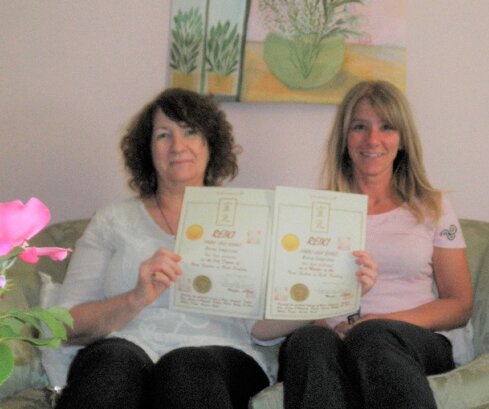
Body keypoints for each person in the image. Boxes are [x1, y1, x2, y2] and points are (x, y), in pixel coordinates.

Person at [251, 80, 473, 409]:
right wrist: (332, 325)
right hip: (335, 339)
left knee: (373, 336)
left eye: (387, 127)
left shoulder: (433, 206)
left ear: (403, 139)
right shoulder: (314, 211)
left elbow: (459, 304)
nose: (372, 139)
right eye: (359, 127)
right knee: (308, 341)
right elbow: (298, 298)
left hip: (414, 342)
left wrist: (380, 321)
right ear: (345, 138)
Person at [55, 88, 271, 409]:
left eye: (190, 131)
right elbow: (66, 325)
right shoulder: (113, 220)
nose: (178, 146)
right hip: (128, 344)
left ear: (210, 143)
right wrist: (135, 298)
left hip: (221, 353)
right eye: (163, 135)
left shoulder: (248, 219)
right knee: (113, 363)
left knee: (186, 367)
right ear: (147, 149)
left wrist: (316, 302)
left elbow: (261, 326)